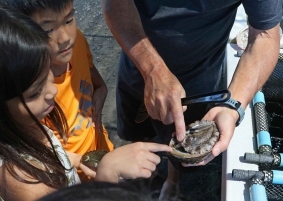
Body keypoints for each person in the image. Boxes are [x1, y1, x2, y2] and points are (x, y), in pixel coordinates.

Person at [0, 1, 172, 200]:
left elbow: (53, 150)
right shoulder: (24, 184)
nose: (53, 91)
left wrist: (78, 159)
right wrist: (106, 177)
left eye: (47, 74)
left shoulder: (22, 124)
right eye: (34, 93)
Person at [101, 0, 282, 199]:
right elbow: (115, 3)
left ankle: (171, 182)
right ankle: (147, 176)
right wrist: (151, 68)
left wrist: (232, 105)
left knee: (181, 143)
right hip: (136, 67)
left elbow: (265, 35)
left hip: (198, 80)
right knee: (138, 130)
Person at [0, 0, 114, 181]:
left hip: (100, 145)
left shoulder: (78, 42)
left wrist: (102, 89)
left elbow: (93, 77)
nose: (65, 38)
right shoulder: (28, 90)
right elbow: (33, 152)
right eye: (48, 30)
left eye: (69, 20)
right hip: (71, 174)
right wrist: (80, 163)